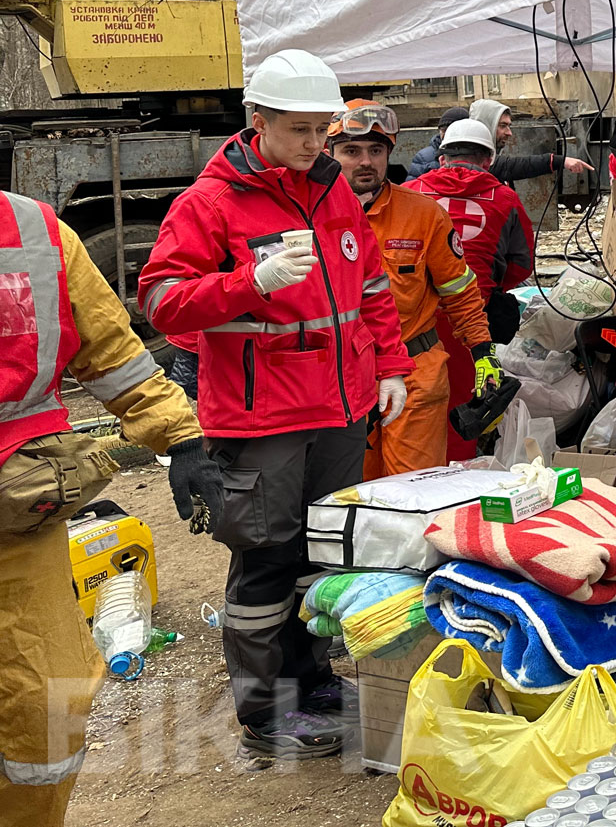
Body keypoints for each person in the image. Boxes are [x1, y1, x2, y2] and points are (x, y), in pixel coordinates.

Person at [138, 49, 413, 760]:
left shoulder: (332, 189)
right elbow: (162, 301)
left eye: (323, 129)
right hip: (262, 418)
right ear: (257, 120)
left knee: (322, 552)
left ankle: (312, 683)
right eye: (299, 129)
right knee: (266, 559)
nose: (315, 143)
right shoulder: (210, 202)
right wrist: (250, 282)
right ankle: (266, 712)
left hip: (340, 409)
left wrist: (390, 365)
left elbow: (371, 286)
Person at [0, 190, 207, 827]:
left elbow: (114, 356)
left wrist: (181, 434)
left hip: (17, 516)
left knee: (43, 702)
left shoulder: (34, 231)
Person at [327, 99, 501, 476]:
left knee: (414, 492)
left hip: (414, 373)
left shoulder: (422, 214)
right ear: (330, 154)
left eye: (376, 151)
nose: (366, 161)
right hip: (342, 380)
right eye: (351, 151)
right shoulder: (312, 217)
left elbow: (459, 290)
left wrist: (483, 351)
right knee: (351, 494)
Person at [404, 118, 535, 461]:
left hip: (413, 323)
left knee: (411, 406)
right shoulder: (505, 198)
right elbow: (522, 264)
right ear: (488, 160)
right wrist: (490, 286)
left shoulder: (410, 192)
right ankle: (457, 473)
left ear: (442, 158)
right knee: (463, 406)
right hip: (472, 322)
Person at [469, 100, 593, 185]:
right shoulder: (476, 161)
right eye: (502, 126)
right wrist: (560, 161)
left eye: (509, 126)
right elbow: (516, 166)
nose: (509, 133)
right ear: (486, 126)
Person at [408, 106, 468, 180]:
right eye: (443, 130)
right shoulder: (424, 158)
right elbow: (412, 184)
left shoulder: (475, 155)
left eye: (451, 131)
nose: (446, 134)